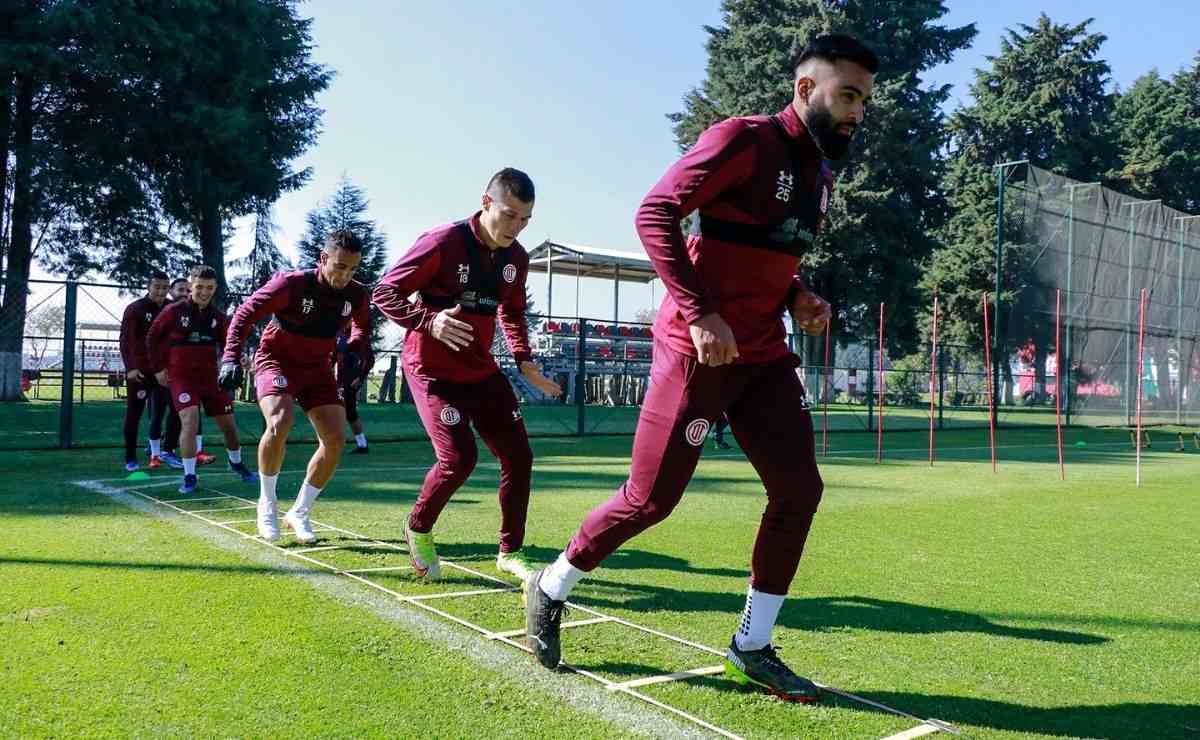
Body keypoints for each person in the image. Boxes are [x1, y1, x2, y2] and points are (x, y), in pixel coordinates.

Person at [525, 34, 877, 703]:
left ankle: (752, 646)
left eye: (864, 100)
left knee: (799, 490)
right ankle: (552, 583)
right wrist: (700, 312)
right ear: (806, 89)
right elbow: (655, 213)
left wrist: (798, 296)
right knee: (650, 501)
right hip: (697, 352)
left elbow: (767, 258)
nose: (858, 112)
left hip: (762, 355)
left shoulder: (822, 178)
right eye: (848, 96)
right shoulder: (743, 140)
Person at [373, 167, 562, 582]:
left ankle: (510, 551)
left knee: (519, 456)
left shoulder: (516, 258)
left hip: (479, 370)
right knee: (459, 459)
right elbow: (384, 292)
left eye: (525, 219)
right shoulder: (444, 241)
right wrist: (429, 321)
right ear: (486, 202)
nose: (516, 227)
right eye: (509, 215)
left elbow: (513, 313)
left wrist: (525, 360)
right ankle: (418, 527)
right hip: (432, 371)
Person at [221, 231, 371, 543]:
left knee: (335, 438)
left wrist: (356, 346)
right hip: (276, 361)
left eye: (353, 269)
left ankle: (299, 512)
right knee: (280, 421)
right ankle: (267, 504)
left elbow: (361, 326)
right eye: (340, 266)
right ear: (323, 258)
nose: (346, 275)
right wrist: (231, 357)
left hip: (318, 369)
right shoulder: (290, 284)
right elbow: (245, 313)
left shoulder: (356, 294)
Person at [146, 265, 258, 494]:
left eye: (209, 287)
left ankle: (236, 463)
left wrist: (240, 358)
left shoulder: (217, 317)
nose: (204, 292)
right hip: (181, 378)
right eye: (200, 287)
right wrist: (157, 369)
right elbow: (152, 338)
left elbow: (230, 342)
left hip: (210, 378)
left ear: (215, 288)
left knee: (229, 427)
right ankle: (189, 476)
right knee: (189, 421)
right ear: (191, 286)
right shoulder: (173, 312)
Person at [160, 277, 215, 468]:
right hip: (171, 371)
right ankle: (165, 450)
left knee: (193, 411)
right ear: (172, 292)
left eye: (187, 289)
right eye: (180, 289)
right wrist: (160, 367)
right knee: (174, 411)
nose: (184, 293)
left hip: (194, 372)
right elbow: (157, 340)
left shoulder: (197, 312)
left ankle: (196, 451)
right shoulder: (170, 312)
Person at [119, 272, 171, 471]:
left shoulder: (171, 308)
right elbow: (126, 341)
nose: (161, 291)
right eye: (157, 287)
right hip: (140, 374)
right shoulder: (135, 309)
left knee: (163, 413)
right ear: (148, 287)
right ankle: (130, 457)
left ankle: (159, 454)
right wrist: (130, 368)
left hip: (162, 373)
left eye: (165, 287)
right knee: (134, 415)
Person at [335, 329, 373, 454]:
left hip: (351, 380)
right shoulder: (337, 333)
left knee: (349, 411)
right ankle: (334, 441)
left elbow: (370, 359)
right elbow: (333, 356)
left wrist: (360, 378)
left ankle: (362, 445)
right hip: (338, 380)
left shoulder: (359, 335)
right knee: (335, 409)